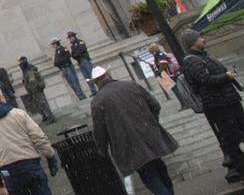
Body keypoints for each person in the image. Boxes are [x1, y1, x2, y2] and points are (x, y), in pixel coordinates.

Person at [90, 66, 178, 195]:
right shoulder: (130, 85)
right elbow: (155, 105)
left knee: (149, 175)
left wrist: (102, 150)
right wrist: (151, 123)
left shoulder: (97, 101)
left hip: (128, 144)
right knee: (159, 167)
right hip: (148, 134)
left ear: (95, 82)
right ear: (108, 74)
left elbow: (100, 130)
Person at [179, 28, 244, 178]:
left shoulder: (203, 56)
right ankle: (241, 169)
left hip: (228, 101)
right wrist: (226, 76)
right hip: (219, 105)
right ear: (193, 42)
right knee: (232, 139)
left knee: (236, 135)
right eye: (200, 38)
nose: (203, 40)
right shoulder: (192, 61)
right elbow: (205, 81)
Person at [0, 86, 59, 195]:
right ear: (1, 98)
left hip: (8, 170)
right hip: (30, 164)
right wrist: (50, 156)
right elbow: (39, 137)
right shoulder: (19, 114)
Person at [19, 56, 55, 123]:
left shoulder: (30, 69)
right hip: (32, 91)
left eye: (21, 62)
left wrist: (32, 91)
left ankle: (51, 117)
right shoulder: (25, 70)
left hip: (36, 90)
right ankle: (45, 116)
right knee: (38, 105)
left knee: (43, 104)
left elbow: (33, 82)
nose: (20, 64)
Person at [67, 31, 98, 97]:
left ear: (74, 36)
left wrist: (76, 54)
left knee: (92, 74)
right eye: (69, 37)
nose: (70, 38)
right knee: (86, 77)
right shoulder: (72, 45)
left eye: (71, 37)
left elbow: (81, 50)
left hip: (85, 60)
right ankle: (93, 91)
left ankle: (99, 87)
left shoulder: (80, 42)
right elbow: (73, 55)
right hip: (80, 62)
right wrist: (76, 54)